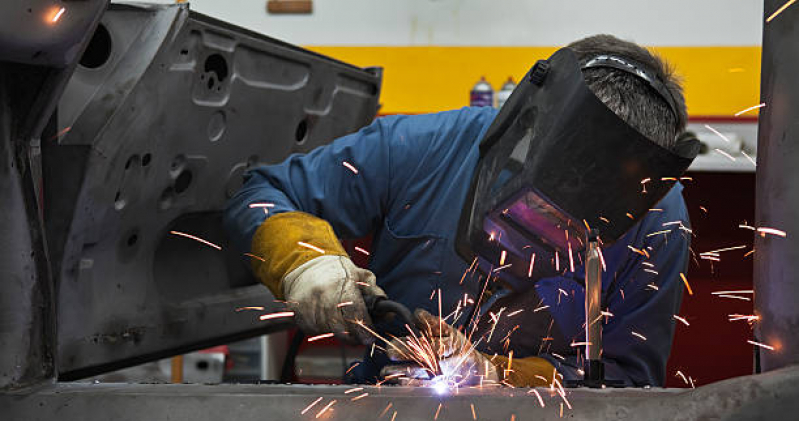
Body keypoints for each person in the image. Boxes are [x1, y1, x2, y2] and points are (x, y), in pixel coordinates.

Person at [224, 34, 694, 387]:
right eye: (537, 205)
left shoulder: (656, 221)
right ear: (527, 127)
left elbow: (629, 384)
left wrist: (498, 376)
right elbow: (261, 193)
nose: (537, 234)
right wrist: (306, 262)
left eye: (570, 227)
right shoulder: (419, 148)